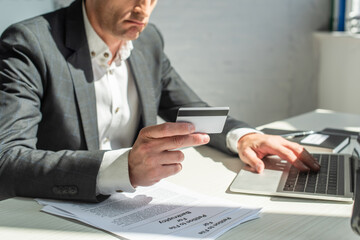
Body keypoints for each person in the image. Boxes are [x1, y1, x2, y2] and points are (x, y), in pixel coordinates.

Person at [0, 0, 320, 202]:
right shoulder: (29, 44)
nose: (145, 9)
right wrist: (121, 167)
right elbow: (8, 160)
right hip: (50, 214)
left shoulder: (148, 41)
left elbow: (190, 109)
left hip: (133, 209)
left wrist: (245, 137)